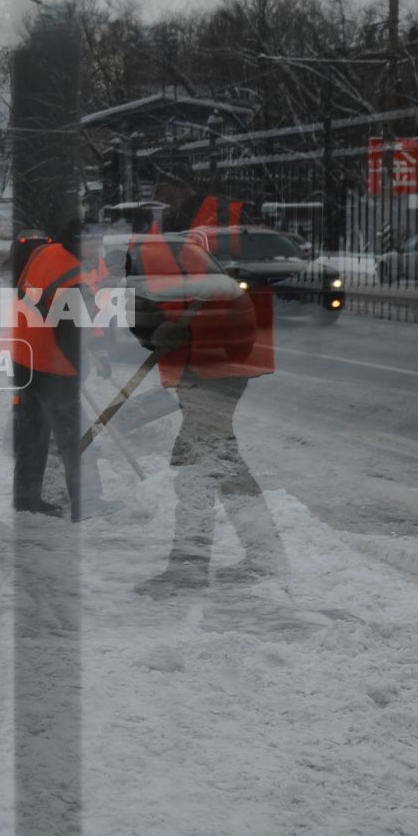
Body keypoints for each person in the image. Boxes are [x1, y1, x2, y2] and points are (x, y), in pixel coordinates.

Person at [130, 159, 285, 598]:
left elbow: (253, 283)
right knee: (220, 462)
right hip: (190, 360)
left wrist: (204, 315)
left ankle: (191, 566)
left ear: (181, 183)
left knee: (201, 464)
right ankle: (262, 556)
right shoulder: (161, 230)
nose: (158, 195)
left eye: (163, 184)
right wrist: (150, 328)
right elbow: (149, 291)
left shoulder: (228, 220)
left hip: (223, 359)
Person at [3, 205, 120, 522]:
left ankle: (25, 499)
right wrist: (78, 369)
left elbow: (28, 295)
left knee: (33, 435)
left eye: (100, 243)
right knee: (76, 439)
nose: (98, 250)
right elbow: (69, 333)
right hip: (51, 367)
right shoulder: (73, 276)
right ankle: (88, 502)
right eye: (93, 243)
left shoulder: (44, 253)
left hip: (23, 356)